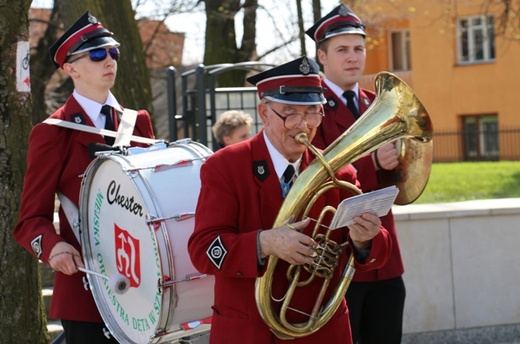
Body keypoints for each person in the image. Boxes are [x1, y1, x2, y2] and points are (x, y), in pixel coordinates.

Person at [187, 56, 392, 344]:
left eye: (312, 112)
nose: (303, 125)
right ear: (264, 112)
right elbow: (203, 249)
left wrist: (364, 240)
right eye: (289, 113)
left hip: (322, 331)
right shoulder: (226, 166)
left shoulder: (339, 171)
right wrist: (265, 243)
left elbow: (377, 249)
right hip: (250, 331)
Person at [13, 11, 155, 344]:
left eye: (113, 52)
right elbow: (30, 220)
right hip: (86, 292)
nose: (109, 60)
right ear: (70, 69)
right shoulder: (52, 133)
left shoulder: (139, 124)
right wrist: (55, 247)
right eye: (96, 54)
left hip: (144, 289)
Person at [306, 4, 406, 344]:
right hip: (335, 255)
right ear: (322, 56)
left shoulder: (379, 103)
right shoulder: (309, 107)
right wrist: (374, 163)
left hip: (383, 254)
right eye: (342, 49)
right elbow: (316, 173)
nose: (353, 57)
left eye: (359, 48)